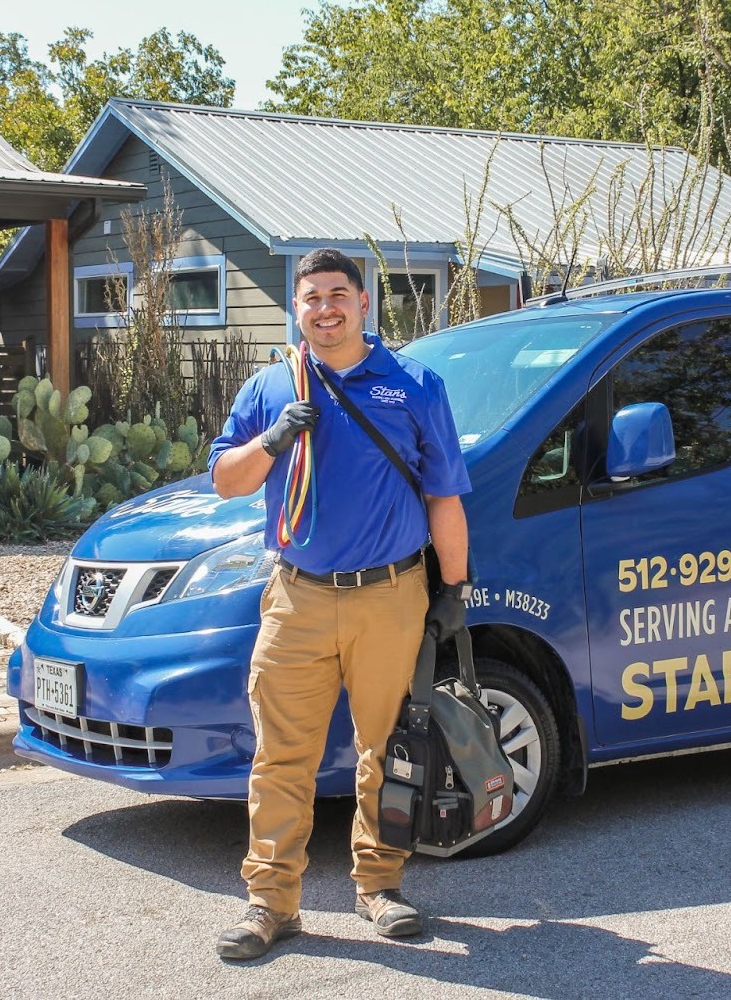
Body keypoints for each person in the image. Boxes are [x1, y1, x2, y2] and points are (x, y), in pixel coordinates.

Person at [207, 248, 473, 961]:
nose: (324, 308)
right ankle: (271, 904)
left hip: (390, 595)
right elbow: (228, 481)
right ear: (297, 310)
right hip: (296, 597)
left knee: (386, 751)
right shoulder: (270, 386)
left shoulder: (415, 385)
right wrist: (274, 437)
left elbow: (444, 496)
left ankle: (380, 886)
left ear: (362, 303)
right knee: (280, 757)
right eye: (311, 298)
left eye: (337, 294)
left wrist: (454, 590)